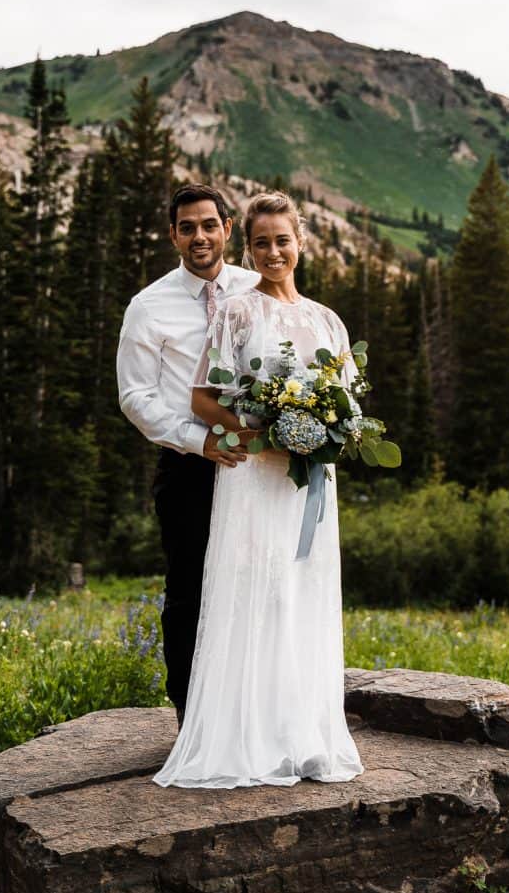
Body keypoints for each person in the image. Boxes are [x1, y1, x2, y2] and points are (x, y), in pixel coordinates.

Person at [153, 191, 364, 788]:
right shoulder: (237, 314)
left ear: (301, 242)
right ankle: (246, 737)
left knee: (302, 597)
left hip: (309, 489)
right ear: (249, 248)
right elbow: (202, 399)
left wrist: (324, 431)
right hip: (253, 480)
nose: (274, 252)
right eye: (263, 242)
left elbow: (347, 405)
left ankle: (304, 736)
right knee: (254, 598)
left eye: (283, 240)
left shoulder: (328, 321)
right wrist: (263, 434)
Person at [116, 184, 260, 730]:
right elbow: (135, 396)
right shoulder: (149, 305)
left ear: (227, 228)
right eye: (186, 227)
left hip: (256, 466)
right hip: (188, 467)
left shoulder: (256, 288)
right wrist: (199, 440)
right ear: (173, 234)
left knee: (255, 585)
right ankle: (189, 716)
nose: (198, 236)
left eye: (208, 225)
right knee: (189, 593)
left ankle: (250, 709)